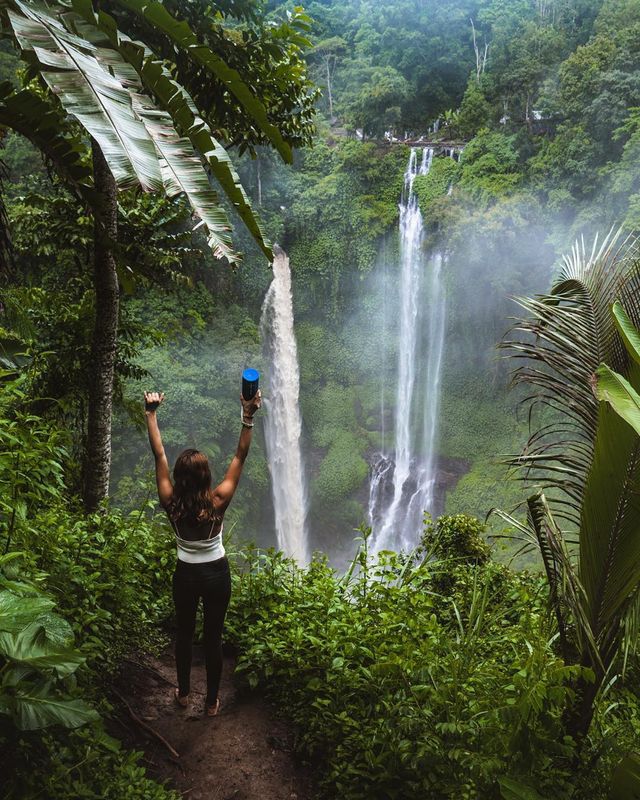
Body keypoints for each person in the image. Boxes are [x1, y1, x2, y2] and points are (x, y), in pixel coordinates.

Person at [144, 388, 262, 716]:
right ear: (207, 476)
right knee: (213, 638)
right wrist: (248, 415)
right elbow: (240, 456)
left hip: (186, 575)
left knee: (184, 634)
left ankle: (182, 693)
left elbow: (160, 456)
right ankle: (211, 703)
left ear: (180, 479)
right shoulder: (219, 500)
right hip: (216, 575)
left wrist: (151, 414)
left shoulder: (171, 503)